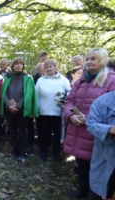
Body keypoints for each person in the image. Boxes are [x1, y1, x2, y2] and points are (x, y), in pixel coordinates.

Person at [63, 48, 115, 199]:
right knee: (81, 163)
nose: (89, 62)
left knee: (98, 165)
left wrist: (91, 119)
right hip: (78, 129)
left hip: (99, 133)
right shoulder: (82, 79)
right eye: (88, 59)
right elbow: (69, 101)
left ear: (103, 61)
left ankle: (95, 193)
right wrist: (71, 116)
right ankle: (82, 190)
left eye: (94, 59)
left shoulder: (111, 80)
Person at [1, 58, 38, 162]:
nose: (18, 66)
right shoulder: (8, 78)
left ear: (23, 66)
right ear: (12, 66)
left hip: (22, 109)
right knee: (12, 131)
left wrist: (18, 106)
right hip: (10, 110)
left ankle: (23, 152)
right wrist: (8, 105)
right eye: (16, 64)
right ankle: (14, 150)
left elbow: (28, 94)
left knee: (22, 132)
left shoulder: (28, 78)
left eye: (20, 64)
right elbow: (4, 93)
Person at [35, 60, 70, 162]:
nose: (49, 69)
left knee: (57, 134)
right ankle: (43, 151)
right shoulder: (41, 80)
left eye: (51, 66)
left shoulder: (63, 80)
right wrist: (36, 109)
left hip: (58, 111)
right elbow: (37, 95)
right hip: (43, 111)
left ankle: (56, 152)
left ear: (55, 67)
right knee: (43, 133)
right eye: (46, 67)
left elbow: (69, 94)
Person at [86, 91, 115, 200]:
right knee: (99, 192)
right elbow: (91, 124)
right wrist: (110, 129)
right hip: (105, 161)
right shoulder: (103, 102)